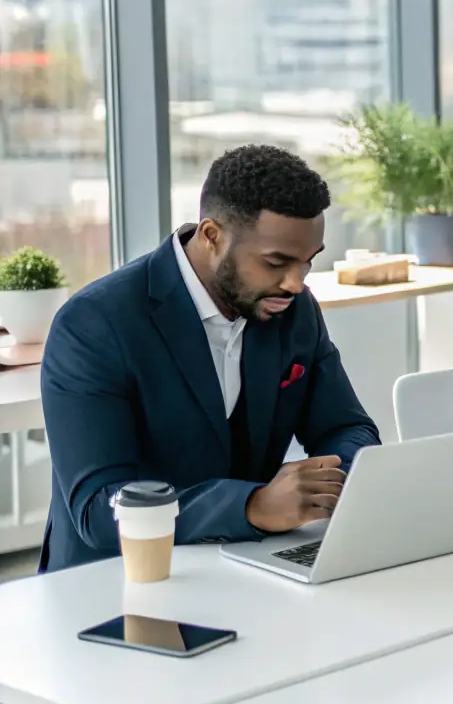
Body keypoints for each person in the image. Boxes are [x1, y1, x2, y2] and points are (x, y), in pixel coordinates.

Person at [40, 145, 380, 574]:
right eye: (277, 262)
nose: (295, 283)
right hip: (113, 582)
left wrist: (338, 480)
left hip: (246, 567)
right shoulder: (94, 323)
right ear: (211, 235)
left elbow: (346, 427)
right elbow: (98, 508)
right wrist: (253, 506)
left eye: (307, 263)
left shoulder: (292, 310)